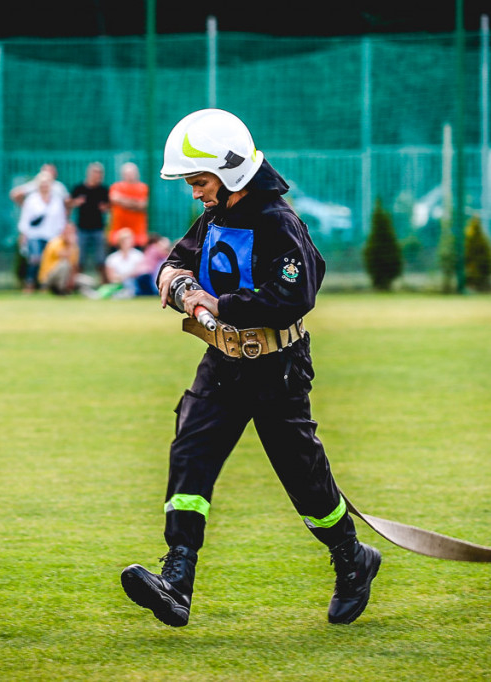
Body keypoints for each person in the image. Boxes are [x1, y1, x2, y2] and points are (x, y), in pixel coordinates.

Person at [120, 109, 380, 627]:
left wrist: (220, 306)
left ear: (231, 172)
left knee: (303, 479)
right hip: (221, 363)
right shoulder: (215, 216)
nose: (194, 192)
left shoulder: (279, 223)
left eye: (200, 180)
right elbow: (173, 265)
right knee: (190, 456)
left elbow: (292, 297)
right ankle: (177, 579)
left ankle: (352, 559)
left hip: (277, 370)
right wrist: (187, 293)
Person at [17, 172, 67, 293]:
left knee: (49, 260)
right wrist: (23, 234)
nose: (44, 186)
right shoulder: (31, 200)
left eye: (47, 183)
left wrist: (61, 235)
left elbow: (61, 219)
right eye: (42, 183)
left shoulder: (56, 200)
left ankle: (46, 285)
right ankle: (30, 284)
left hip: (52, 235)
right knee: (35, 258)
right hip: (35, 234)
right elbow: (25, 218)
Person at [71, 162, 111, 281]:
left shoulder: (103, 190)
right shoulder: (79, 188)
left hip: (98, 229)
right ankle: (75, 284)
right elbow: (69, 203)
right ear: (89, 173)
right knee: (79, 259)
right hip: (82, 229)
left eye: (99, 173)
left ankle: (105, 284)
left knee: (101, 259)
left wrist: (106, 208)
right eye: (95, 173)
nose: (97, 176)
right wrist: (76, 202)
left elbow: (109, 207)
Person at [108, 162, 149, 247]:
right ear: (122, 175)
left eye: (132, 173)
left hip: (138, 236)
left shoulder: (143, 188)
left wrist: (123, 202)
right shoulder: (116, 187)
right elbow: (114, 199)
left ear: (137, 174)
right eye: (127, 174)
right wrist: (135, 204)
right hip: (117, 235)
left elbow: (142, 205)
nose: (130, 176)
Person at [134, 233, 171, 297]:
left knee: (144, 290)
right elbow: (165, 255)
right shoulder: (155, 248)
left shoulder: (149, 248)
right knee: (148, 292)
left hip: (140, 272)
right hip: (147, 272)